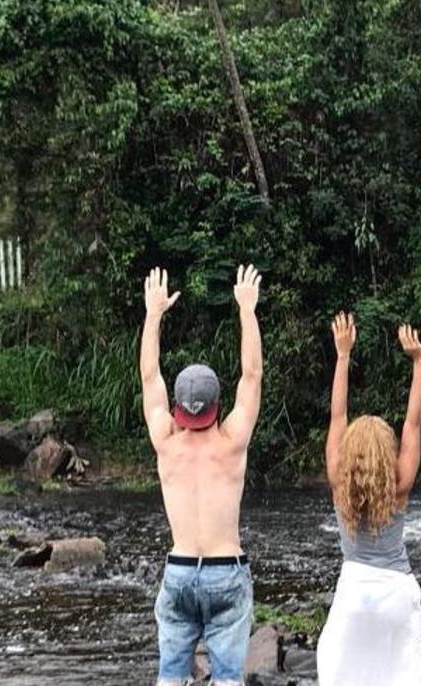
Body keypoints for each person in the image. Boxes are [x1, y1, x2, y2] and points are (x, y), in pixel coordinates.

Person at [140, 265, 265, 686]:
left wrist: (153, 314)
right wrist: (246, 309)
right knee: (228, 679)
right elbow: (253, 375)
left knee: (171, 676)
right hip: (226, 570)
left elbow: (149, 376)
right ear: (216, 406)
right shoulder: (231, 442)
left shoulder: (165, 441)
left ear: (178, 406)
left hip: (178, 569)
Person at [316, 312, 421, 686]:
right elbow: (412, 423)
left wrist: (343, 356)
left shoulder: (338, 478)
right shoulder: (400, 483)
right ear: (388, 452)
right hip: (396, 592)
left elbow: (338, 415)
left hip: (354, 592)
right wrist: (419, 362)